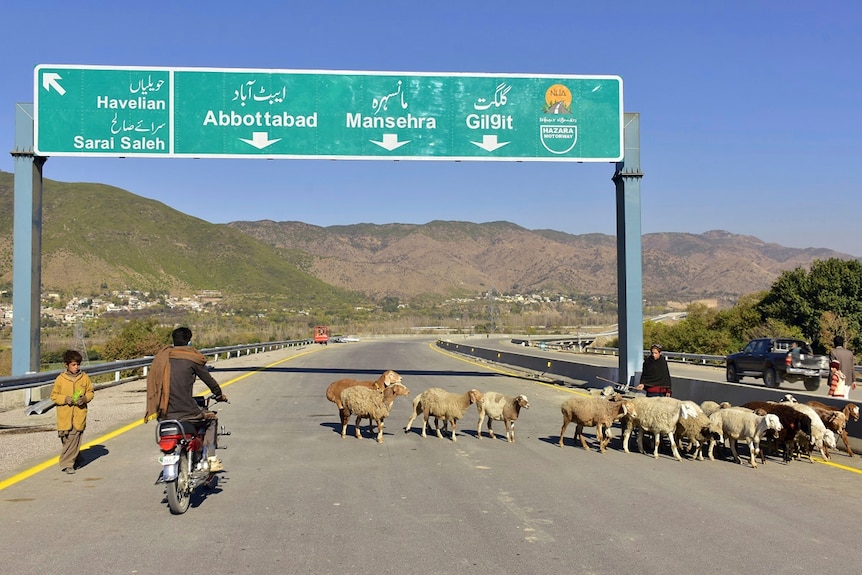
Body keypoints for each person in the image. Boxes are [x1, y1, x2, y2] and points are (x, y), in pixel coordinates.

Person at [145, 327, 227, 472]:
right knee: (211, 419)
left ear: (173, 340)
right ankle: (212, 458)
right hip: (187, 411)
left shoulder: (162, 358)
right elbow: (209, 381)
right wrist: (219, 394)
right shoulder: (192, 359)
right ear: (189, 341)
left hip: (164, 412)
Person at [50, 350, 95, 474]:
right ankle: (77, 457)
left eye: (78, 364)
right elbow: (54, 396)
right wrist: (65, 399)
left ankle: (67, 463)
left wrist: (85, 399)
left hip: (79, 415)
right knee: (65, 439)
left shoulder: (84, 378)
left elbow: (90, 392)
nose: (76, 367)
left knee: (73, 438)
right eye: (74, 365)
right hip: (64, 415)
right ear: (67, 365)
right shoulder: (60, 379)